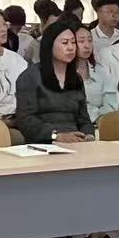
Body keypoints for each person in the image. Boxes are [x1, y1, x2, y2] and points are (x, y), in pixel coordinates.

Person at [13, 17, 94, 145]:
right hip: (44, 142)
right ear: (50, 45)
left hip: (76, 141)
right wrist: (56, 136)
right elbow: (26, 119)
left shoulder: (76, 77)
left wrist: (89, 135)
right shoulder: (30, 76)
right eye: (65, 43)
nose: (71, 48)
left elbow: (83, 117)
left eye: (73, 42)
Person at [90, 0, 119, 95]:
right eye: (110, 12)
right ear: (98, 12)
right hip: (99, 85)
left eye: (118, 12)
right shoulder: (90, 38)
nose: (114, 16)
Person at [76, 22, 115, 122]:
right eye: (81, 41)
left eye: (90, 40)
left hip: (103, 123)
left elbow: (111, 99)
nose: (87, 45)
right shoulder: (64, 73)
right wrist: (95, 116)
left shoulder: (100, 70)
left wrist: (103, 118)